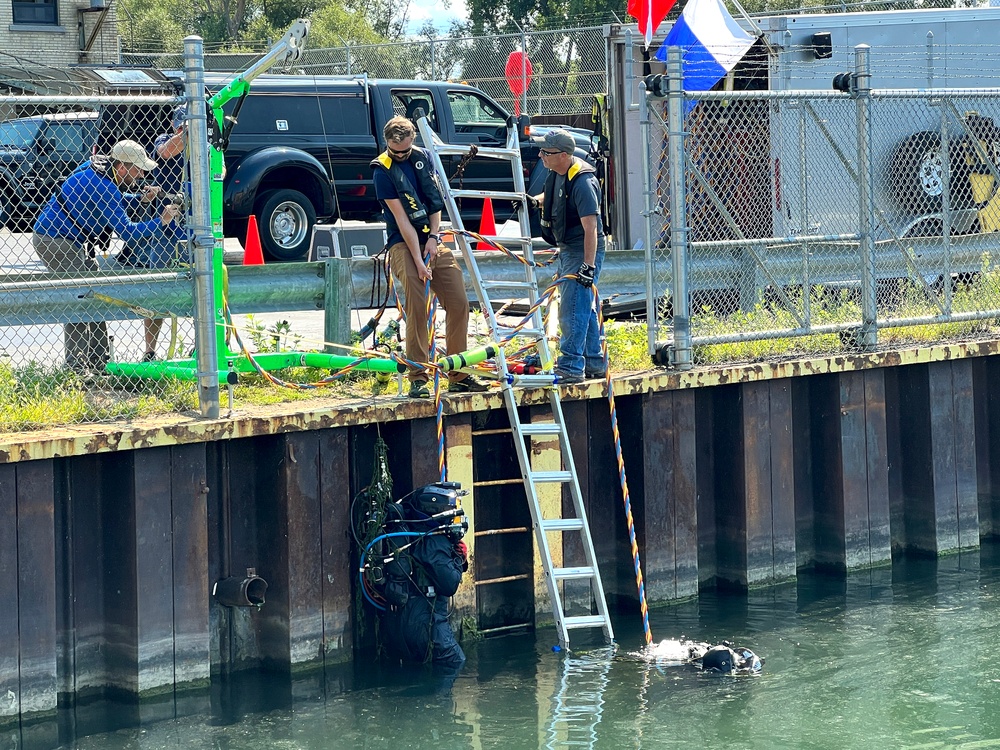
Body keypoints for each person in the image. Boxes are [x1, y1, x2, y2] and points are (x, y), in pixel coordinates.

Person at [32, 140, 181, 373]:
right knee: (80, 299)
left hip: (58, 238)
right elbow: (129, 232)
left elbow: (108, 203)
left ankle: (99, 361)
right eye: (138, 169)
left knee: (95, 291)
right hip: (57, 242)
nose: (142, 174)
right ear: (122, 167)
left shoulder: (97, 169)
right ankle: (77, 367)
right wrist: (161, 221)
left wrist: (140, 199)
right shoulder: (106, 187)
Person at [370, 116, 487, 398]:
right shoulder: (382, 172)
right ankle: (418, 376)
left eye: (405, 151)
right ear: (387, 143)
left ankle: (458, 374)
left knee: (459, 301)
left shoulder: (422, 159)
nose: (400, 155)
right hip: (403, 243)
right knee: (417, 303)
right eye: (395, 151)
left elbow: (435, 203)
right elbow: (402, 221)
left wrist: (434, 239)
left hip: (431, 238)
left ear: (413, 142)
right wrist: (420, 262)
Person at [530, 129, 607, 385]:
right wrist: (535, 201)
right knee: (582, 304)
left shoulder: (583, 182)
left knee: (572, 308)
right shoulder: (557, 172)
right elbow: (554, 198)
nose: (541, 155)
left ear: (563, 155)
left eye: (546, 152)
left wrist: (588, 266)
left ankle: (571, 366)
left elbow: (591, 229)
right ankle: (594, 362)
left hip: (582, 248)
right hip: (569, 247)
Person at [119, 105, 189, 361]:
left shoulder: (208, 144)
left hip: (195, 225)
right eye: (181, 125)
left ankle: (209, 345)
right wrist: (189, 130)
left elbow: (221, 170)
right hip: (166, 228)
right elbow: (167, 151)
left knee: (208, 283)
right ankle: (150, 351)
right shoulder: (164, 139)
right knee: (158, 289)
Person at [379, 483, 469, 671]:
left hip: (399, 621)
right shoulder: (434, 541)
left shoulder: (412, 530)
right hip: (427, 624)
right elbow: (449, 584)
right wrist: (460, 559)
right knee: (456, 665)